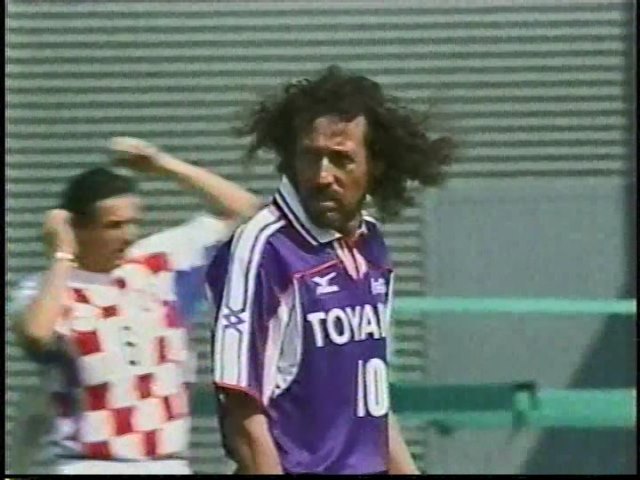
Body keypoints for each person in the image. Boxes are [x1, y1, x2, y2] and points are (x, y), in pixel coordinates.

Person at [206, 65, 453, 475]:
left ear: (375, 164)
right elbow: (242, 412)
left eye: (341, 159)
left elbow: (371, 404)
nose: (323, 176)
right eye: (310, 156)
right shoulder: (264, 249)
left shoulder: (372, 245)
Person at [8, 137, 262, 475]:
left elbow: (247, 212)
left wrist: (162, 164)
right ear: (77, 228)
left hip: (168, 463)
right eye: (114, 226)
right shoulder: (47, 289)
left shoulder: (157, 264)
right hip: (90, 465)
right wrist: (62, 253)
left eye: (132, 223)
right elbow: (36, 335)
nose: (128, 235)